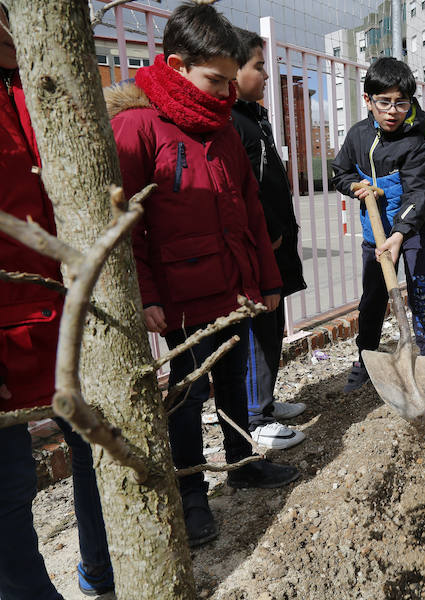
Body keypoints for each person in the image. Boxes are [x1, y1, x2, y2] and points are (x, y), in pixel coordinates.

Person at [106, 3, 300, 547]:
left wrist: (266, 282)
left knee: (235, 377)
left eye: (230, 80)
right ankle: (192, 492)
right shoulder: (137, 128)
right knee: (187, 396)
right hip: (181, 295)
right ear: (174, 64)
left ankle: (241, 464)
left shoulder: (223, 129)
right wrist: (145, 294)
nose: (226, 92)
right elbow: (126, 223)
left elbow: (250, 212)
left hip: (234, 287)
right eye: (215, 80)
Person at [0, 8, 113, 597]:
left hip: (69, 319)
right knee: (8, 492)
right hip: (8, 333)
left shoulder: (35, 87)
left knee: (99, 449)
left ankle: (100, 571)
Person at [331, 57, 425, 393]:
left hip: (414, 231)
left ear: (410, 103)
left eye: (400, 103)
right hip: (374, 235)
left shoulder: (415, 143)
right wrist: (356, 187)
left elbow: (421, 193)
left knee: (419, 289)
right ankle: (366, 357)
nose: (392, 111)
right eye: (384, 102)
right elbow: (341, 172)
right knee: (373, 297)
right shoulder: (358, 137)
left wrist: (398, 233)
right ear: (368, 100)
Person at [231, 28, 307, 450]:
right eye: (258, 66)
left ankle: (265, 402)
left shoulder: (254, 119)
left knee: (272, 323)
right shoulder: (234, 125)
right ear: (232, 69)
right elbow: (245, 193)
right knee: (258, 327)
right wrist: (270, 234)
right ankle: (254, 417)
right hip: (262, 247)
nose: (265, 74)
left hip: (274, 246)